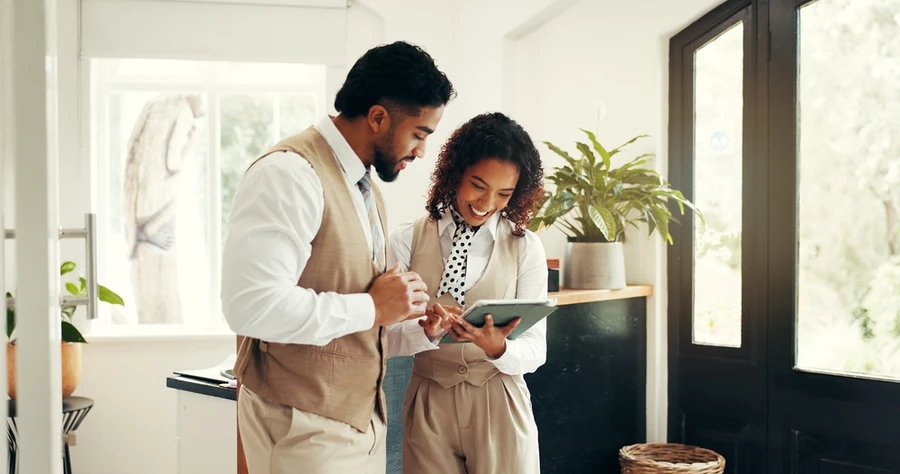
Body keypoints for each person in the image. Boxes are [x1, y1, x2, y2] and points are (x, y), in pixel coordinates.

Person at [221, 41, 455, 474]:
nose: (422, 151)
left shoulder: (365, 189)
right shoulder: (289, 175)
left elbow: (358, 330)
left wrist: (416, 328)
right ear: (379, 117)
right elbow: (249, 307)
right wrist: (372, 305)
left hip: (361, 428)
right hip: (299, 428)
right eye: (420, 133)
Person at [387, 112, 549, 474]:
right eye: (478, 185)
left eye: (504, 193)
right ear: (455, 172)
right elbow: (386, 340)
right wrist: (424, 332)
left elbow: (537, 350)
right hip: (428, 404)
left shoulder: (526, 248)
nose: (487, 202)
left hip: (500, 402)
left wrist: (498, 347)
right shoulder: (405, 240)